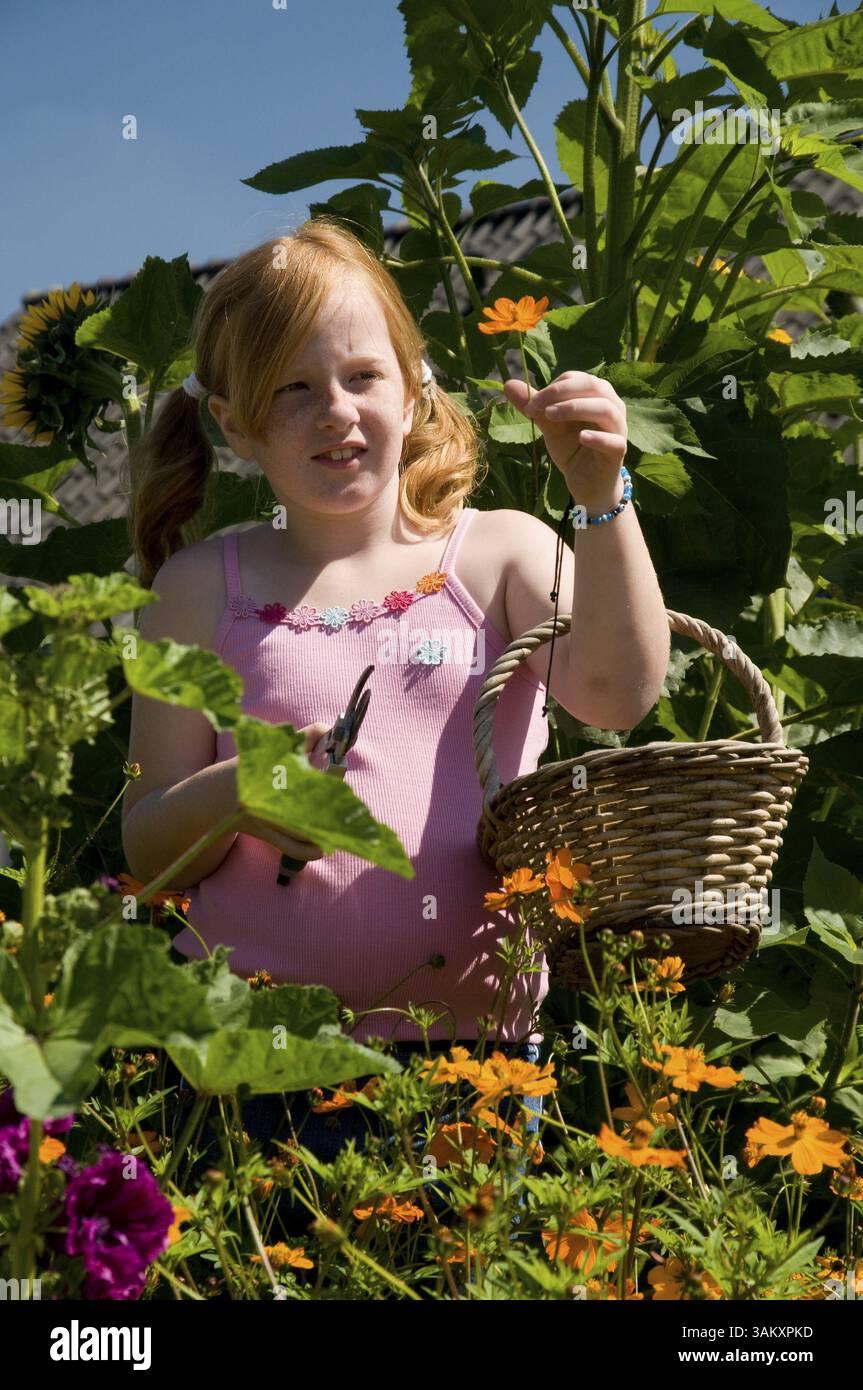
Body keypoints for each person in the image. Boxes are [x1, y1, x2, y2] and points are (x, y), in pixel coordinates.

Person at [120, 218, 669, 1192]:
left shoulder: (497, 552)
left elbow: (617, 695)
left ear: (413, 383)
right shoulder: (200, 587)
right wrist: (241, 785)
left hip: (474, 1065)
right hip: (255, 1065)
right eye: (290, 389)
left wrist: (599, 497)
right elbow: (148, 843)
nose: (334, 410)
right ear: (232, 424)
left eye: (361, 375)